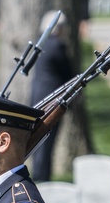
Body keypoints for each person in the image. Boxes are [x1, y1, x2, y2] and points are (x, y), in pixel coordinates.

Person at [29, 10, 76, 181]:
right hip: (53, 100)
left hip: (38, 95)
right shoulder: (57, 45)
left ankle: (39, 173)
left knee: (38, 138)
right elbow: (69, 74)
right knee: (47, 140)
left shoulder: (40, 44)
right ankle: (43, 176)